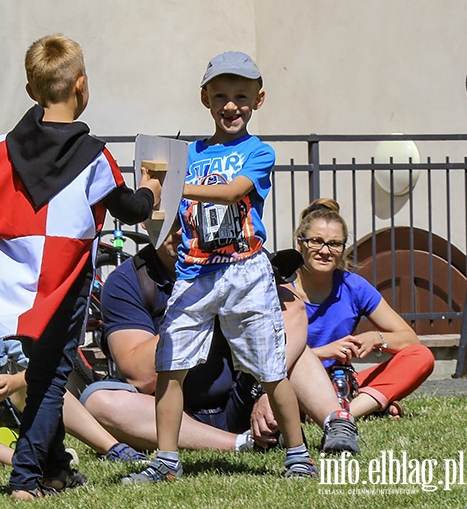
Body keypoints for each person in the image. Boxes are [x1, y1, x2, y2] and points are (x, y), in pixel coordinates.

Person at [0, 35, 162, 499]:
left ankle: (54, 469)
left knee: (40, 372)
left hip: (14, 282)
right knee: (51, 379)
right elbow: (130, 209)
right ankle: (26, 477)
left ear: (32, 91)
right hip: (64, 282)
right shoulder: (94, 155)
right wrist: (152, 188)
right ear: (80, 84)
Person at [123, 51, 316, 484]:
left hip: (246, 273)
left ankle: (298, 454)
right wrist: (150, 199)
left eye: (242, 96)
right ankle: (166, 460)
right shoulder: (185, 153)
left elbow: (232, 193)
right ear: (205, 99)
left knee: (269, 368)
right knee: (170, 363)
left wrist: (169, 188)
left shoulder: (259, 152)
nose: (232, 105)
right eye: (222, 96)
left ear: (258, 100)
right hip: (194, 274)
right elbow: (159, 216)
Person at [83, 226, 360, 455]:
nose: (182, 231)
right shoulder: (128, 280)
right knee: (99, 401)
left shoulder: (240, 257)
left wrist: (267, 390)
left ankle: (337, 423)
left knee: (292, 349)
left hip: (243, 395)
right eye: (172, 221)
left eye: (189, 219)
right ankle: (241, 445)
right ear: (149, 222)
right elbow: (139, 376)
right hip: (177, 413)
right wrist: (197, 307)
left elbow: (295, 313)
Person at [0, 243, 146, 466]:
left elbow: (42, 366)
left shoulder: (0, 325)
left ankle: (112, 447)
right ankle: (19, 460)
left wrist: (14, 382)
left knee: (47, 384)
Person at [292, 199, 435, 418]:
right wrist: (322, 353)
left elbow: (410, 340)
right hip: (295, 384)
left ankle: (345, 414)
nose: (325, 251)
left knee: (421, 356)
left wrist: (375, 338)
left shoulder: (354, 286)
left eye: (334, 244)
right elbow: (270, 360)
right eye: (316, 241)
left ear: (342, 248)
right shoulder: (281, 289)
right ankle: (369, 405)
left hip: (341, 383)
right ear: (300, 244)